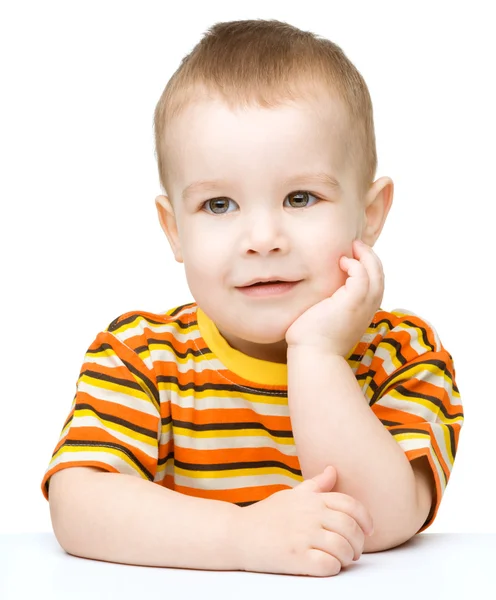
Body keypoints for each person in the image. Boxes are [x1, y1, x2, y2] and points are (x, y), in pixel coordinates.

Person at [41, 18, 464, 578]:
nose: (263, 239)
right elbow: (78, 506)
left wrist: (317, 354)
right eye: (219, 205)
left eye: (300, 196)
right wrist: (241, 537)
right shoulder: (140, 355)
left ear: (371, 213)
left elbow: (385, 521)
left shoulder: (401, 355)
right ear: (173, 230)